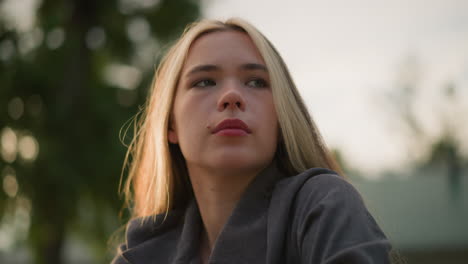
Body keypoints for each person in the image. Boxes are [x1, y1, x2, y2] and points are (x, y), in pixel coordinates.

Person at [112, 17, 392, 264]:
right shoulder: (141, 253)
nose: (231, 96)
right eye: (205, 82)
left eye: (256, 82)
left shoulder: (323, 206)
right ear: (170, 123)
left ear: (282, 117)